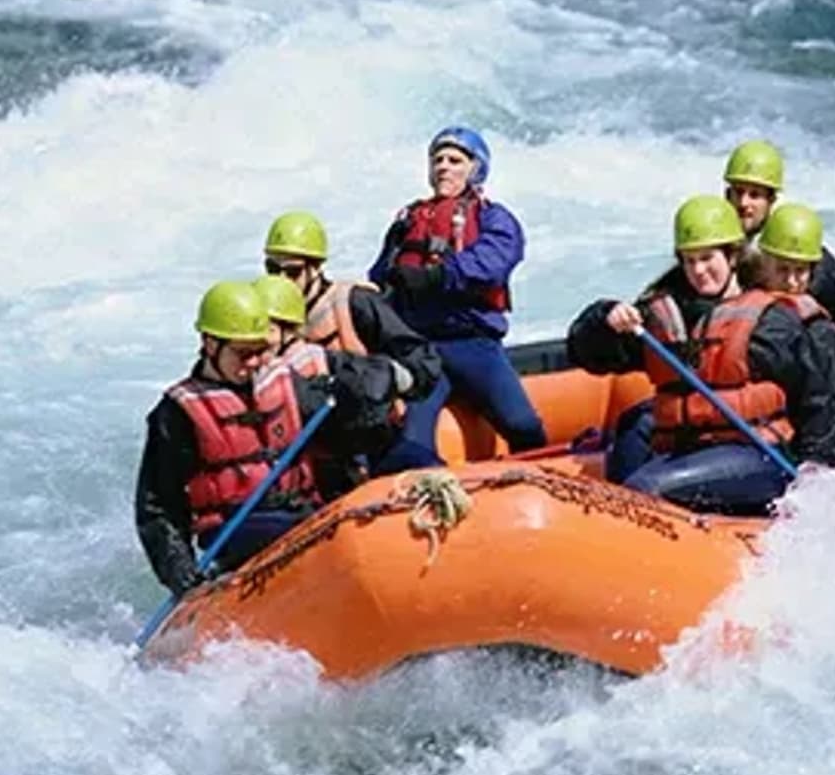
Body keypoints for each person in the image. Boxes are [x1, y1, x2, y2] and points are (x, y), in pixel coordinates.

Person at [566, 195, 835, 515]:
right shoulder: (666, 314)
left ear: (732, 256)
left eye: (707, 258)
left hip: (759, 456)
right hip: (692, 449)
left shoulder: (771, 323)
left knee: (644, 487)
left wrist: (816, 476)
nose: (698, 270)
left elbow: (820, 400)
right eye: (689, 261)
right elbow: (587, 355)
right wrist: (603, 317)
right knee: (633, 431)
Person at [135, 280, 401, 596]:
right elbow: (158, 507)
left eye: (260, 351)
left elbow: (346, 426)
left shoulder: (285, 382)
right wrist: (180, 572)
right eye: (242, 353)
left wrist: (370, 393)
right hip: (235, 529)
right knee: (305, 530)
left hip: (302, 511)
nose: (253, 363)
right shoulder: (178, 414)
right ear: (210, 344)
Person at [367, 125, 546, 463]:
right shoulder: (407, 221)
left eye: (454, 160)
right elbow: (381, 275)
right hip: (422, 350)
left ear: (475, 169)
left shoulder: (493, 216)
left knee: (522, 425)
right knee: (412, 441)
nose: (443, 167)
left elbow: (494, 261)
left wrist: (437, 276)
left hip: (473, 344)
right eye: (437, 160)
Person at [262, 211, 444, 471]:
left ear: (316, 268)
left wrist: (385, 380)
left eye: (292, 271)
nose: (281, 280)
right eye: (272, 269)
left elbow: (422, 360)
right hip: (323, 449)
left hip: (377, 437)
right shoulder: (271, 319)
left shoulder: (356, 302)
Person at [723, 139, 835, 389]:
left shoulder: (793, 245)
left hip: (792, 373)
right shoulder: (717, 245)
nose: (743, 203)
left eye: (755, 195)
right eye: (738, 192)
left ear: (771, 200)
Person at [752, 203, 835, 410]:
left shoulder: (818, 333)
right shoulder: (740, 304)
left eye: (800, 271)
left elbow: (829, 410)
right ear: (763, 265)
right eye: (782, 269)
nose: (791, 282)